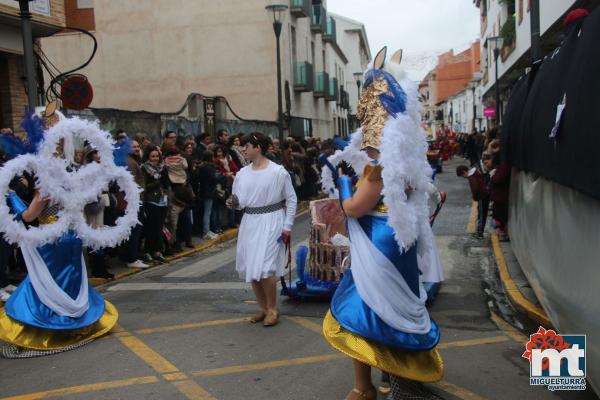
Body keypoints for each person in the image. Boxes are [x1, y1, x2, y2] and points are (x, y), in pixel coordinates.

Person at [321, 48, 443, 400]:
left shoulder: (377, 171)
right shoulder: (406, 162)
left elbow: (355, 208)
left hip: (377, 241)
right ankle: (393, 378)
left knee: (361, 313)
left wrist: (343, 181)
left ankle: (366, 387)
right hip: (397, 238)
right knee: (390, 311)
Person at [228, 132, 297, 327]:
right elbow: (239, 203)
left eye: (247, 146)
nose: (244, 149)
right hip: (250, 221)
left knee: (266, 268)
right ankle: (263, 307)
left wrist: (288, 226)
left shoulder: (278, 172)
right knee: (252, 266)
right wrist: (233, 203)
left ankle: (273, 309)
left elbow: (291, 199)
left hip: (272, 221)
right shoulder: (242, 174)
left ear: (257, 147)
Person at [122, 140, 149, 268]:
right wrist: (140, 193)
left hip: (135, 199)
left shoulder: (133, 161)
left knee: (134, 230)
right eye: (134, 147)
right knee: (134, 230)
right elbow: (132, 183)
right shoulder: (131, 163)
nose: (137, 149)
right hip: (134, 201)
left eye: (138, 146)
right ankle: (132, 258)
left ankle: (131, 256)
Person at [141, 146, 170, 262]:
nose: (155, 158)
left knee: (159, 227)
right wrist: (157, 182)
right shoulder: (144, 168)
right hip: (151, 200)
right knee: (153, 228)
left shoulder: (163, 168)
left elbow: (167, 183)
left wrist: (164, 176)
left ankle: (157, 251)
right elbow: (144, 186)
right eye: (152, 156)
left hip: (163, 200)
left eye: (157, 156)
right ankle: (150, 251)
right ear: (148, 157)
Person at [197, 150, 221, 240]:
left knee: (206, 211)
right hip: (209, 191)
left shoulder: (202, 166)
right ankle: (206, 231)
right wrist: (221, 176)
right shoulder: (209, 167)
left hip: (204, 191)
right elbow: (213, 178)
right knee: (207, 212)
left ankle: (207, 230)